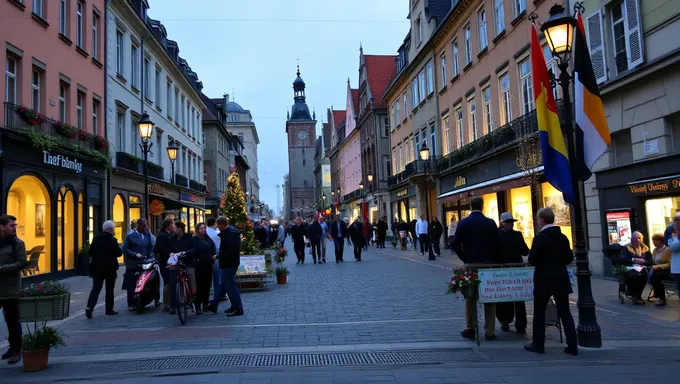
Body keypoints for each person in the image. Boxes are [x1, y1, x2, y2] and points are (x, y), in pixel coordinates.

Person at [525, 207, 578, 356]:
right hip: (561, 278)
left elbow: (532, 259)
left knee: (540, 312)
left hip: (544, 279)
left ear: (542, 220)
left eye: (537, 219)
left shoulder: (540, 238)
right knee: (565, 312)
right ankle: (572, 345)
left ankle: (538, 344)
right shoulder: (562, 237)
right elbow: (569, 258)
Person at [452, 197, 501, 341]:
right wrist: (493, 259)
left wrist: (464, 257)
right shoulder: (490, 223)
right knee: (489, 298)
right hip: (487, 265)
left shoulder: (464, 223)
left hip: (471, 265)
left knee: (470, 297)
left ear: (470, 207)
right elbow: (497, 244)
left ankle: (470, 327)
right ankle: (489, 331)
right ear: (483, 206)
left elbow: (454, 243)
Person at [495, 212, 529, 333]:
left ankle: (516, 323)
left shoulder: (498, 235)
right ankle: (508, 321)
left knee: (514, 297)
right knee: (507, 297)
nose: (510, 225)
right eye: (508, 222)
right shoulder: (502, 235)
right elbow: (525, 251)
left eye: (511, 222)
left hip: (511, 269)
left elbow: (525, 251)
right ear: (502, 222)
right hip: (509, 269)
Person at [0, 214, 27, 365]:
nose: (14, 228)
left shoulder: (18, 243)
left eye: (15, 225)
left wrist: (2, 269)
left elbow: (22, 263)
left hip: (11, 289)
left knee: (12, 321)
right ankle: (12, 348)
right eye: (11, 225)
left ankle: (16, 350)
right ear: (2, 226)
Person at [207, 217, 243, 316]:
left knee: (230, 286)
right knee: (224, 285)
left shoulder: (229, 234)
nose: (217, 227)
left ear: (222, 225)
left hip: (229, 264)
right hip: (230, 263)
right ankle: (214, 305)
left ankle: (238, 307)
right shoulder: (230, 232)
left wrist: (219, 256)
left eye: (218, 225)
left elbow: (230, 250)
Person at [86, 220, 122, 319]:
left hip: (96, 268)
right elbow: (119, 253)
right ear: (111, 229)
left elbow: (90, 252)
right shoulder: (112, 240)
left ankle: (89, 307)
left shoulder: (96, 238)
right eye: (114, 229)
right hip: (109, 268)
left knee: (96, 288)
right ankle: (109, 310)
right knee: (109, 289)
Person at [121, 218, 154, 312]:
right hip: (133, 264)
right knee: (131, 284)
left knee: (145, 281)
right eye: (144, 225)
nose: (145, 227)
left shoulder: (147, 235)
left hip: (145, 262)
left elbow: (150, 247)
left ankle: (143, 300)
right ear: (138, 225)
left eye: (146, 225)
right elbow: (124, 248)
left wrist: (151, 254)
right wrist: (135, 254)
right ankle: (131, 304)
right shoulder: (130, 235)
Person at [169, 221, 196, 315]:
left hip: (187, 263)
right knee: (172, 282)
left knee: (191, 277)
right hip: (176, 264)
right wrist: (170, 253)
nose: (173, 229)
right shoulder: (172, 239)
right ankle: (173, 305)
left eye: (174, 228)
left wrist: (186, 253)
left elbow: (194, 249)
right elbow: (168, 249)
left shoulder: (189, 237)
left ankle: (192, 298)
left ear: (179, 229)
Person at [620, 231, 652, 304]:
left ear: (642, 239)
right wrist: (633, 260)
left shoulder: (645, 248)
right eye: (635, 238)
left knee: (643, 275)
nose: (637, 240)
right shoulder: (626, 248)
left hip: (642, 267)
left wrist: (643, 261)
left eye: (639, 238)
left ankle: (638, 295)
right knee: (633, 275)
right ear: (631, 239)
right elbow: (623, 259)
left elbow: (650, 261)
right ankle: (634, 294)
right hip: (630, 267)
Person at [192, 223, 216, 314]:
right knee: (199, 286)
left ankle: (205, 304)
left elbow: (212, 249)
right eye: (201, 228)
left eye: (204, 228)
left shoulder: (208, 239)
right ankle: (197, 305)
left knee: (207, 285)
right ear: (198, 229)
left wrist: (213, 257)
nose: (203, 230)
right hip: (199, 265)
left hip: (208, 265)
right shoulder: (194, 240)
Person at [154, 218, 176, 311]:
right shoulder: (163, 235)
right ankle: (166, 304)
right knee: (167, 281)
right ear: (168, 226)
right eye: (172, 224)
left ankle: (168, 302)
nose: (174, 226)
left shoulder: (168, 234)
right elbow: (160, 248)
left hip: (167, 261)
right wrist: (168, 254)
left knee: (169, 281)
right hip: (165, 262)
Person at [649, 233, 671, 306]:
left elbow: (670, 263)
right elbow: (653, 261)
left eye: (655, 241)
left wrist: (660, 266)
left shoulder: (667, 250)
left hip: (665, 270)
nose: (654, 243)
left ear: (660, 241)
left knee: (656, 277)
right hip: (655, 269)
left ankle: (661, 298)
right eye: (653, 241)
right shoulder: (655, 250)